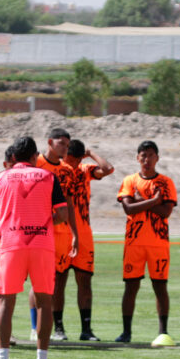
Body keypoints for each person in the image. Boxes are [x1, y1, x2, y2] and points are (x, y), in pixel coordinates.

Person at [0, 136, 69, 359]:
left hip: (11, 244)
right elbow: (62, 213)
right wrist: (44, 223)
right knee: (44, 302)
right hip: (41, 243)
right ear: (34, 157)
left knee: (5, 302)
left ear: (12, 157)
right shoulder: (49, 177)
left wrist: (3, 229)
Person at [116, 140, 178, 346]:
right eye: (143, 155)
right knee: (131, 287)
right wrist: (153, 201)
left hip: (158, 243)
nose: (146, 159)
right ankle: (126, 331)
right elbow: (128, 209)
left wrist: (139, 201)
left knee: (160, 287)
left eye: (151, 155)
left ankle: (163, 331)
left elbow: (166, 211)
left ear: (157, 158)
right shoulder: (130, 180)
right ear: (137, 158)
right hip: (134, 243)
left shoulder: (166, 182)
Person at [61, 138, 115, 341]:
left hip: (83, 232)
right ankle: (59, 328)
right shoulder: (58, 170)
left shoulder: (84, 170)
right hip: (62, 231)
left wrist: (91, 152)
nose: (73, 163)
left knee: (85, 280)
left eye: (76, 159)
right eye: (70, 159)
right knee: (59, 280)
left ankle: (86, 329)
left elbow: (108, 169)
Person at [35, 128, 79, 341]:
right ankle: (35, 327)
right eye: (61, 143)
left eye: (67, 145)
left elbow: (70, 203)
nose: (65, 148)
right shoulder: (35, 164)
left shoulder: (67, 170)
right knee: (40, 280)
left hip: (61, 232)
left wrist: (75, 233)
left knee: (60, 280)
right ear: (50, 142)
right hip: (40, 231)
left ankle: (58, 326)